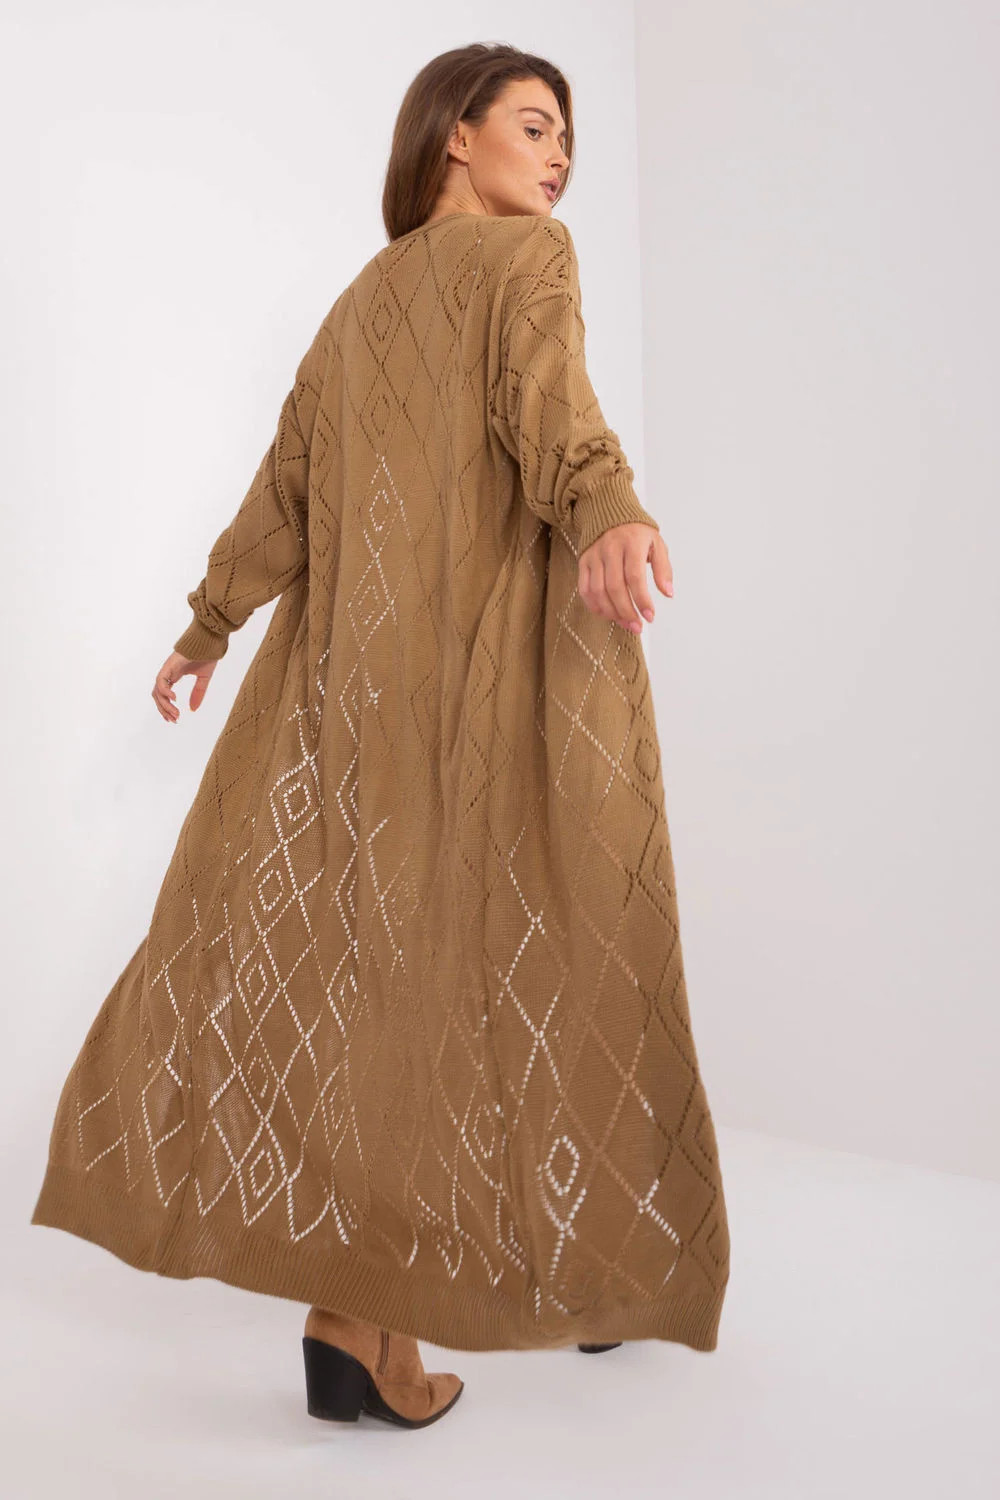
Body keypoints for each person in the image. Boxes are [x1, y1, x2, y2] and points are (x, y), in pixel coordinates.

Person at [31, 43, 731, 1430]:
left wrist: (207, 627)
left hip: (352, 700)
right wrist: (612, 513)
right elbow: (555, 415)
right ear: (455, 136)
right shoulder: (529, 260)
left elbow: (281, 495)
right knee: (555, 943)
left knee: (384, 974)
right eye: (535, 125)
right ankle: (564, 1278)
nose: (560, 158)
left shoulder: (361, 302)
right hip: (491, 682)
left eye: (569, 138)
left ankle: (358, 1321)